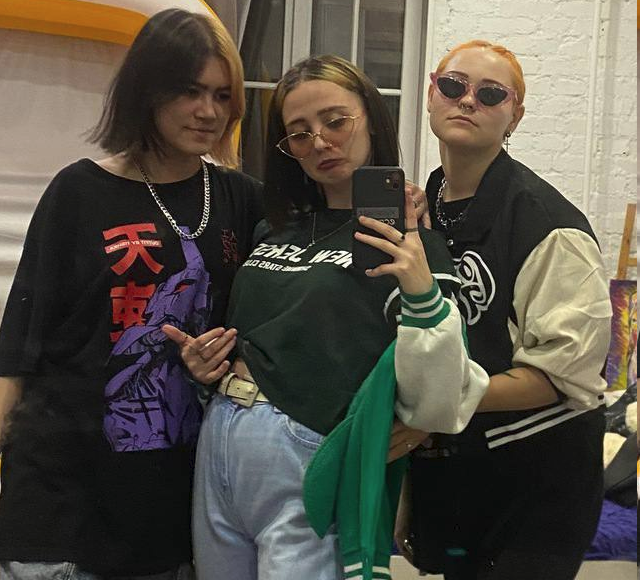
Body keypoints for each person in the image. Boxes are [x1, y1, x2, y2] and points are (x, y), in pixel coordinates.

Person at [164, 54, 489, 580]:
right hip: (220, 437)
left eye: (336, 121)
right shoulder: (274, 228)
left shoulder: (411, 244)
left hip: (308, 445)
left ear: (371, 120)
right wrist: (207, 366)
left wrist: (421, 287)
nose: (319, 142)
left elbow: (444, 393)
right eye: (299, 133)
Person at [0, 8, 264, 579]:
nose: (209, 111)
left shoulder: (241, 200)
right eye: (190, 91)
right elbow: (19, 344)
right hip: (61, 501)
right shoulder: (79, 191)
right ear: (148, 90)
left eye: (222, 95)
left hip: (173, 510)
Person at [399, 40, 612, 580]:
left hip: (541, 481)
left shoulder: (551, 226)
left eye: (491, 94)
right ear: (431, 95)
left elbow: (561, 376)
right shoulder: (425, 208)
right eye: (453, 85)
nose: (468, 100)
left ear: (514, 116)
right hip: (460, 471)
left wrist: (435, 410)